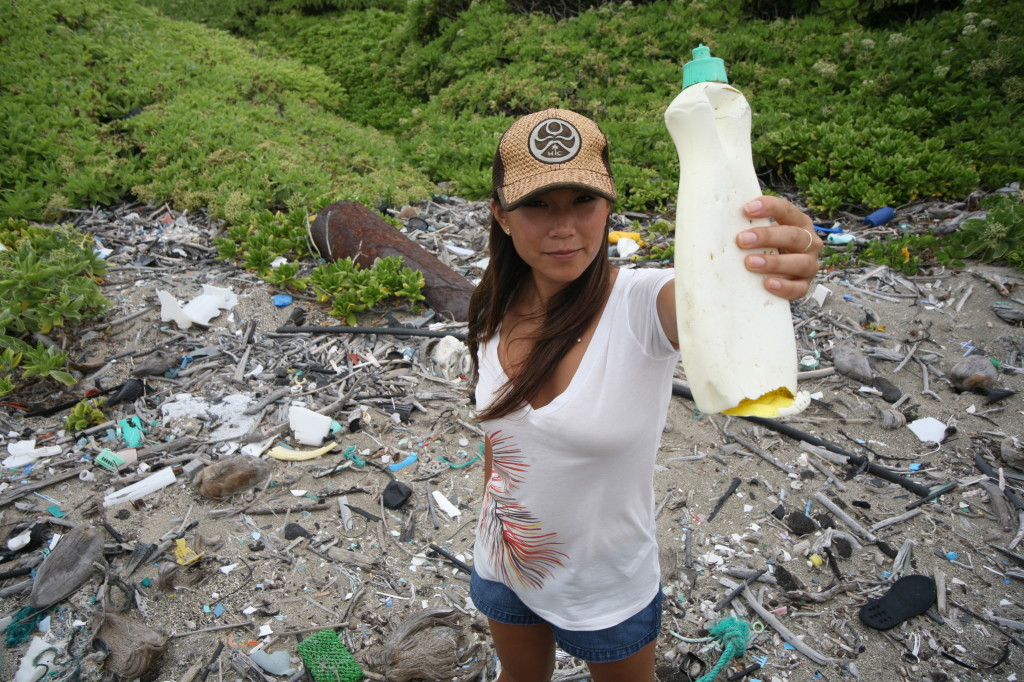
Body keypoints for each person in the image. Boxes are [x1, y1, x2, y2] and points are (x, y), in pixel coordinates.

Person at [466, 108, 822, 681]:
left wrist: (779, 253)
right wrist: (490, 523)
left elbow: (716, 297)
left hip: (606, 585)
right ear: (501, 215)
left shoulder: (641, 305)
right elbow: (500, 440)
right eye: (537, 205)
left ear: (608, 206)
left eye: (582, 202)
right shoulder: (492, 306)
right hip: (503, 561)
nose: (564, 229)